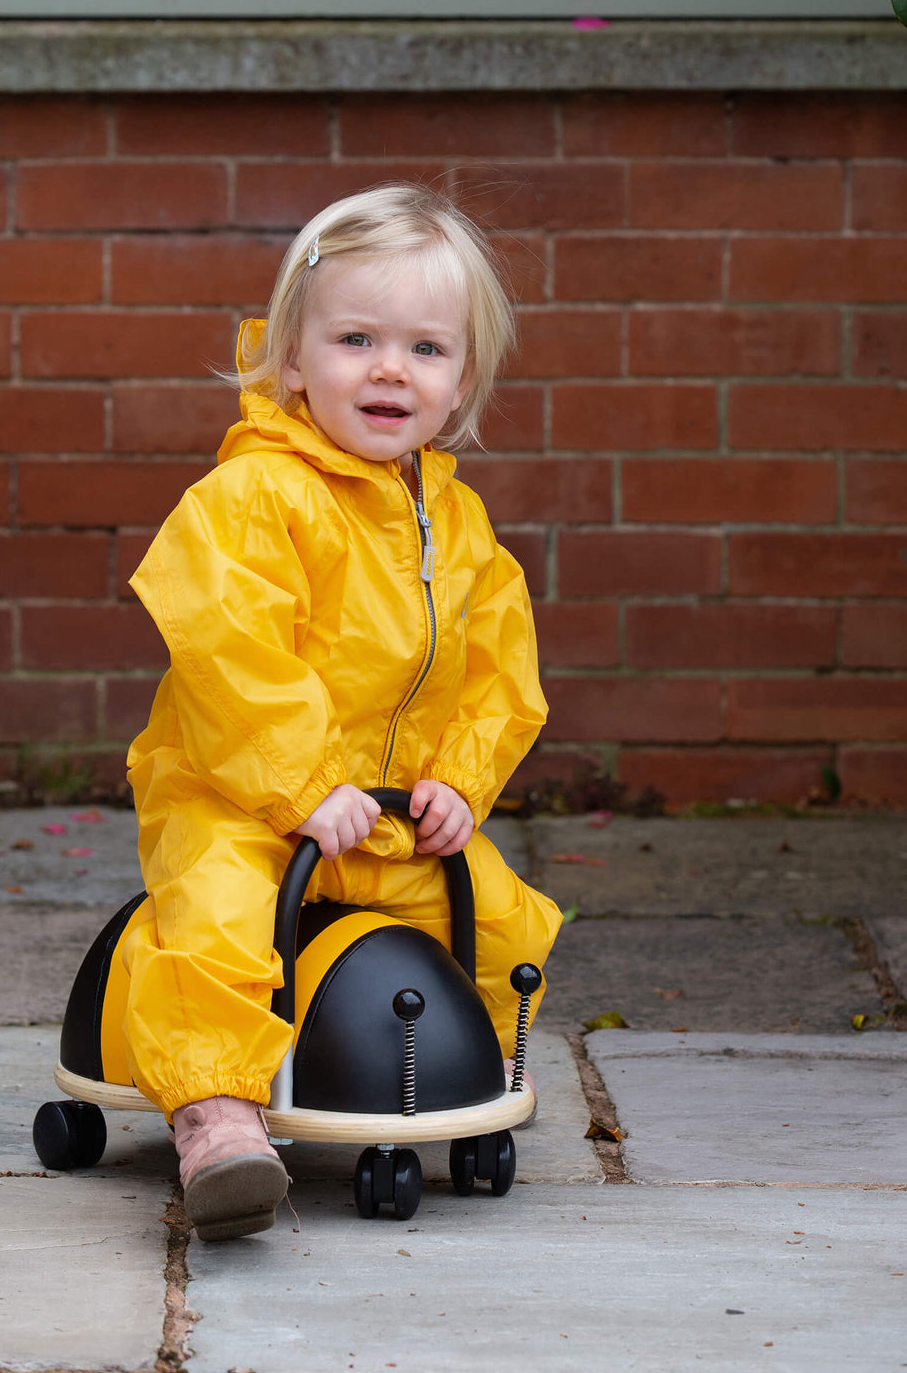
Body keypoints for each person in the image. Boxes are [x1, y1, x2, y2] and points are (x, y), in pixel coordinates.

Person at [124, 183, 562, 1242]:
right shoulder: (250, 500)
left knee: (502, 915)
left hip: (383, 819)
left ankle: (465, 1073)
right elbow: (229, 653)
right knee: (218, 919)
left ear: (462, 382)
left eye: (425, 348)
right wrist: (302, 784)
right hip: (244, 801)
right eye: (356, 338)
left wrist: (458, 780)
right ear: (290, 360)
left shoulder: (456, 524)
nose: (389, 369)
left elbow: (499, 669)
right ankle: (217, 1119)